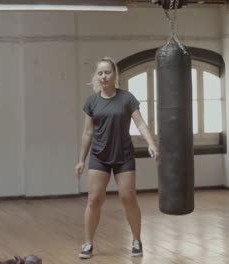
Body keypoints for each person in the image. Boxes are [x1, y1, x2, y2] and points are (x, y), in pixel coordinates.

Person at [75, 56, 160, 259]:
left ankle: (137, 240)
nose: (104, 76)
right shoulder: (92, 102)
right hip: (99, 156)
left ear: (115, 74)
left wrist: (151, 143)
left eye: (107, 72)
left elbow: (140, 123)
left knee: (128, 198)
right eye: (100, 73)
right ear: (97, 76)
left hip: (123, 155)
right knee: (94, 199)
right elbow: (87, 132)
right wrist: (81, 160)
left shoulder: (127, 98)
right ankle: (88, 243)